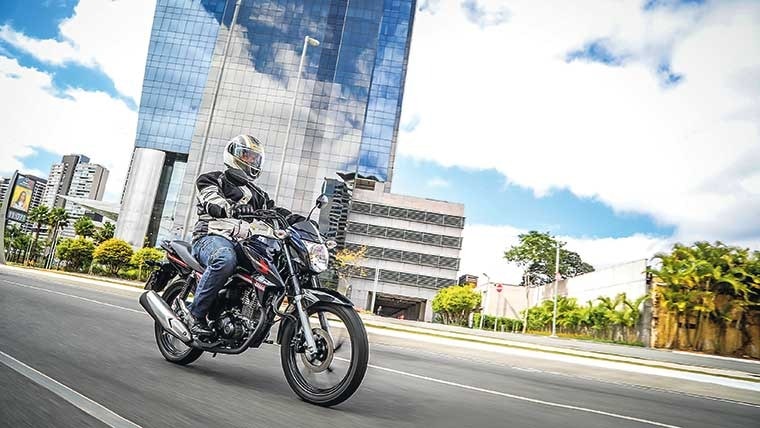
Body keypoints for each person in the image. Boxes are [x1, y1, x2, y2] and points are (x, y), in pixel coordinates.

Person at [186, 134, 296, 337]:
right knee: (224, 258)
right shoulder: (213, 179)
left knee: (272, 266)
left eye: (254, 158)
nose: (250, 161)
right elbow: (211, 200)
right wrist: (231, 208)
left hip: (241, 242)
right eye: (245, 156)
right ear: (232, 154)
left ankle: (241, 313)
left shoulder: (258, 194)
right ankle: (195, 315)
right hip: (210, 237)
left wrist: (297, 220)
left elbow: (275, 211)